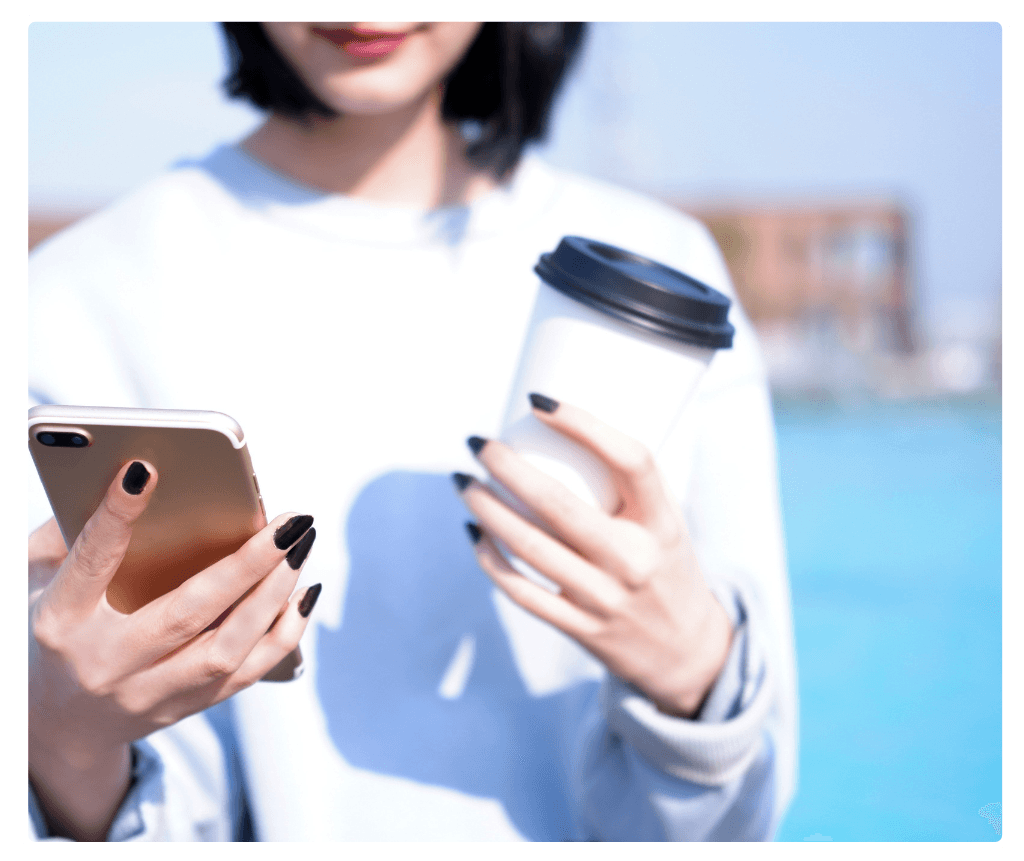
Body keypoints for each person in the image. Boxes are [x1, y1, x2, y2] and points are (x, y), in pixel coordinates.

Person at [25, 21, 798, 842]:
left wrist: (694, 683)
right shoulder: (73, 300)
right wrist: (62, 739)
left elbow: (737, 827)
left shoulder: (667, 274)